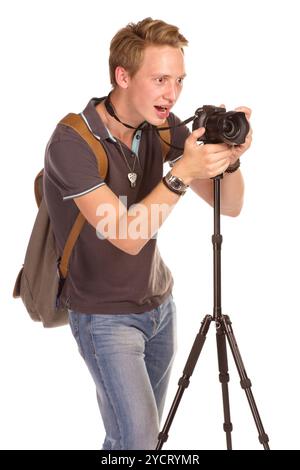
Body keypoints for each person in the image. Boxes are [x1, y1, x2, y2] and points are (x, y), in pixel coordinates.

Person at [44, 17, 252, 450]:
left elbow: (229, 206)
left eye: (178, 80)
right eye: (160, 79)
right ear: (123, 76)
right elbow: (126, 235)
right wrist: (181, 174)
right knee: (137, 441)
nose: (172, 94)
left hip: (159, 308)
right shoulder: (72, 142)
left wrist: (228, 159)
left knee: (134, 441)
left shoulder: (164, 125)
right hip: (104, 317)